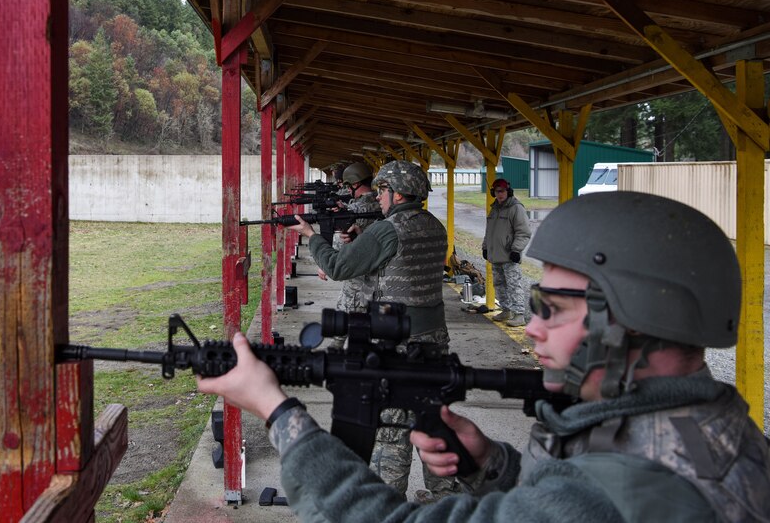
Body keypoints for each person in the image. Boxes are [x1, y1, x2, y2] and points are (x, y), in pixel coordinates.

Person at [197, 191, 770, 522]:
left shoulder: (631, 490)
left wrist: (278, 413)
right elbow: (561, 497)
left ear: (637, 320)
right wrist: (491, 465)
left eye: (554, 307)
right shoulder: (714, 435)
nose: (534, 325)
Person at [286, 159, 455, 500]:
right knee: (432, 418)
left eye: (383, 191)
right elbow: (398, 264)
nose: (378, 198)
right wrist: (361, 237)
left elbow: (337, 266)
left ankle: (385, 505)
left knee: (392, 429)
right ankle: (446, 498)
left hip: (397, 344)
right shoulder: (434, 226)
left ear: (398, 194)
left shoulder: (388, 230)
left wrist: (311, 237)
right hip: (434, 341)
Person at [320, 162, 381, 350]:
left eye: (348, 185)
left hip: (360, 275)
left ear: (355, 184)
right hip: (380, 273)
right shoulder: (378, 204)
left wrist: (325, 263)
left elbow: (342, 244)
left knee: (345, 316)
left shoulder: (359, 209)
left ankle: (337, 352)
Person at [482, 178, 531, 327]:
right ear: (493, 192)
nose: (500, 194)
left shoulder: (516, 208)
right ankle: (506, 310)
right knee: (499, 284)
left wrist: (516, 250)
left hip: (509, 256)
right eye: (497, 191)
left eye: (502, 191)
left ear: (508, 191)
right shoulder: (495, 208)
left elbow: (524, 232)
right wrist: (485, 247)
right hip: (495, 254)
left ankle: (519, 315)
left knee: (513, 285)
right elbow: (489, 231)